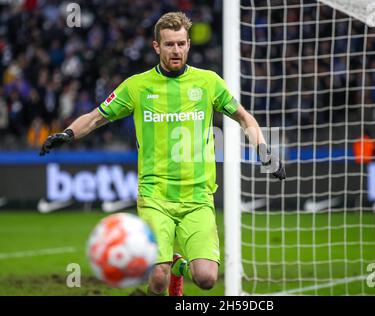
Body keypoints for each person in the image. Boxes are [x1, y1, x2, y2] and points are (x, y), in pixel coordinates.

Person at [39, 12, 285, 296]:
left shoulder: (208, 82)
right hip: (155, 195)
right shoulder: (137, 86)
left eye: (181, 44)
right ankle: (167, 270)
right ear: (157, 46)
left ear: (189, 44)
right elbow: (96, 117)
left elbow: (244, 118)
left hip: (198, 196)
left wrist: (264, 150)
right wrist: (67, 133)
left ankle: (178, 266)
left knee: (206, 278)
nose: (176, 50)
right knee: (157, 280)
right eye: (169, 44)